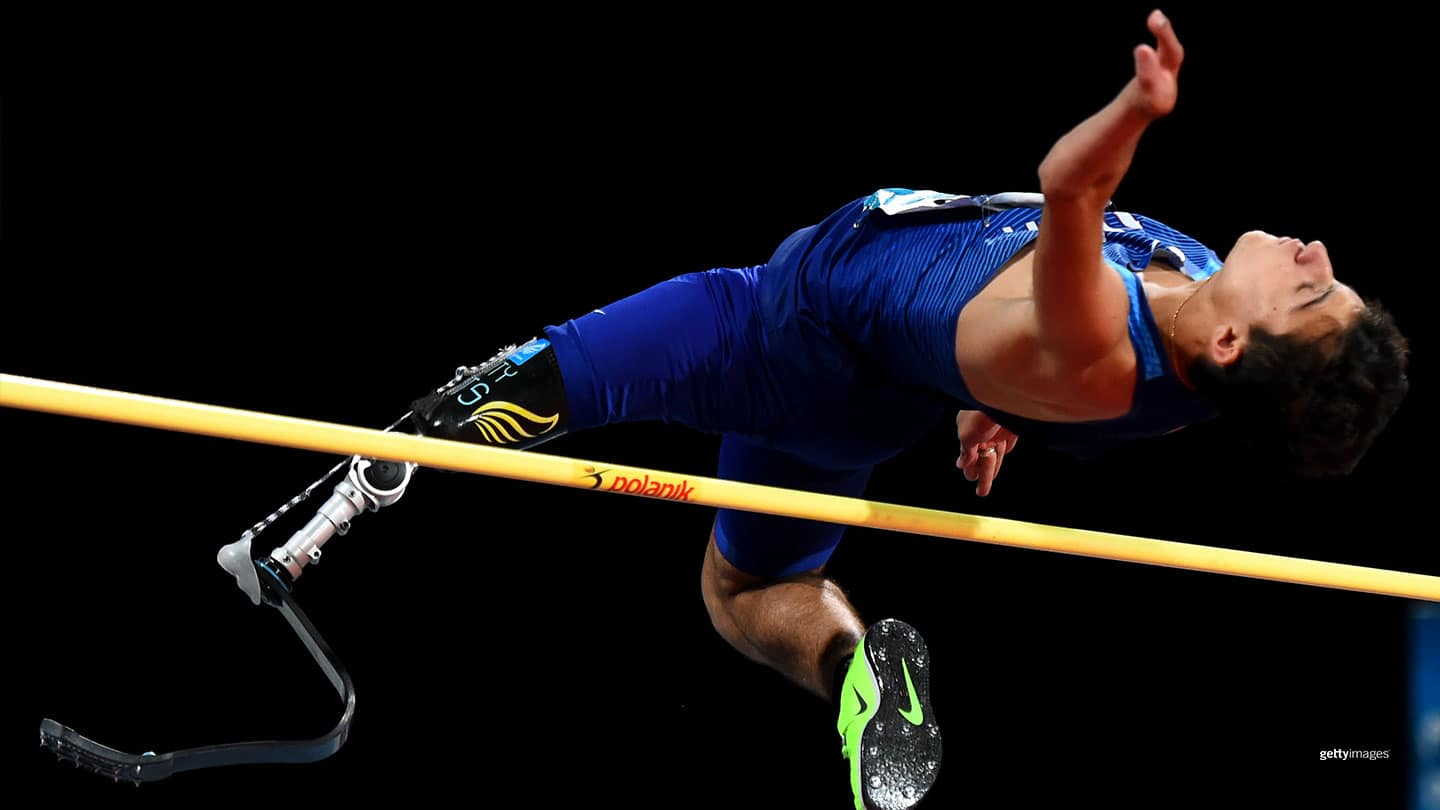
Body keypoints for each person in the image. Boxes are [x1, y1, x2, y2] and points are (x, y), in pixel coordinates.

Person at [406, 10, 1408, 810]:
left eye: (1313, 292)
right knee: (743, 590)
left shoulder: (1101, 343)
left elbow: (1069, 192)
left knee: (534, 383)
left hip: (788, 337)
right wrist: (997, 394)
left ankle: (333, 504)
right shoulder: (1191, 319)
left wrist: (1137, 113)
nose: (1316, 256)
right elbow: (1056, 364)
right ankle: (859, 675)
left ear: (1235, 345)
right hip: (870, 396)